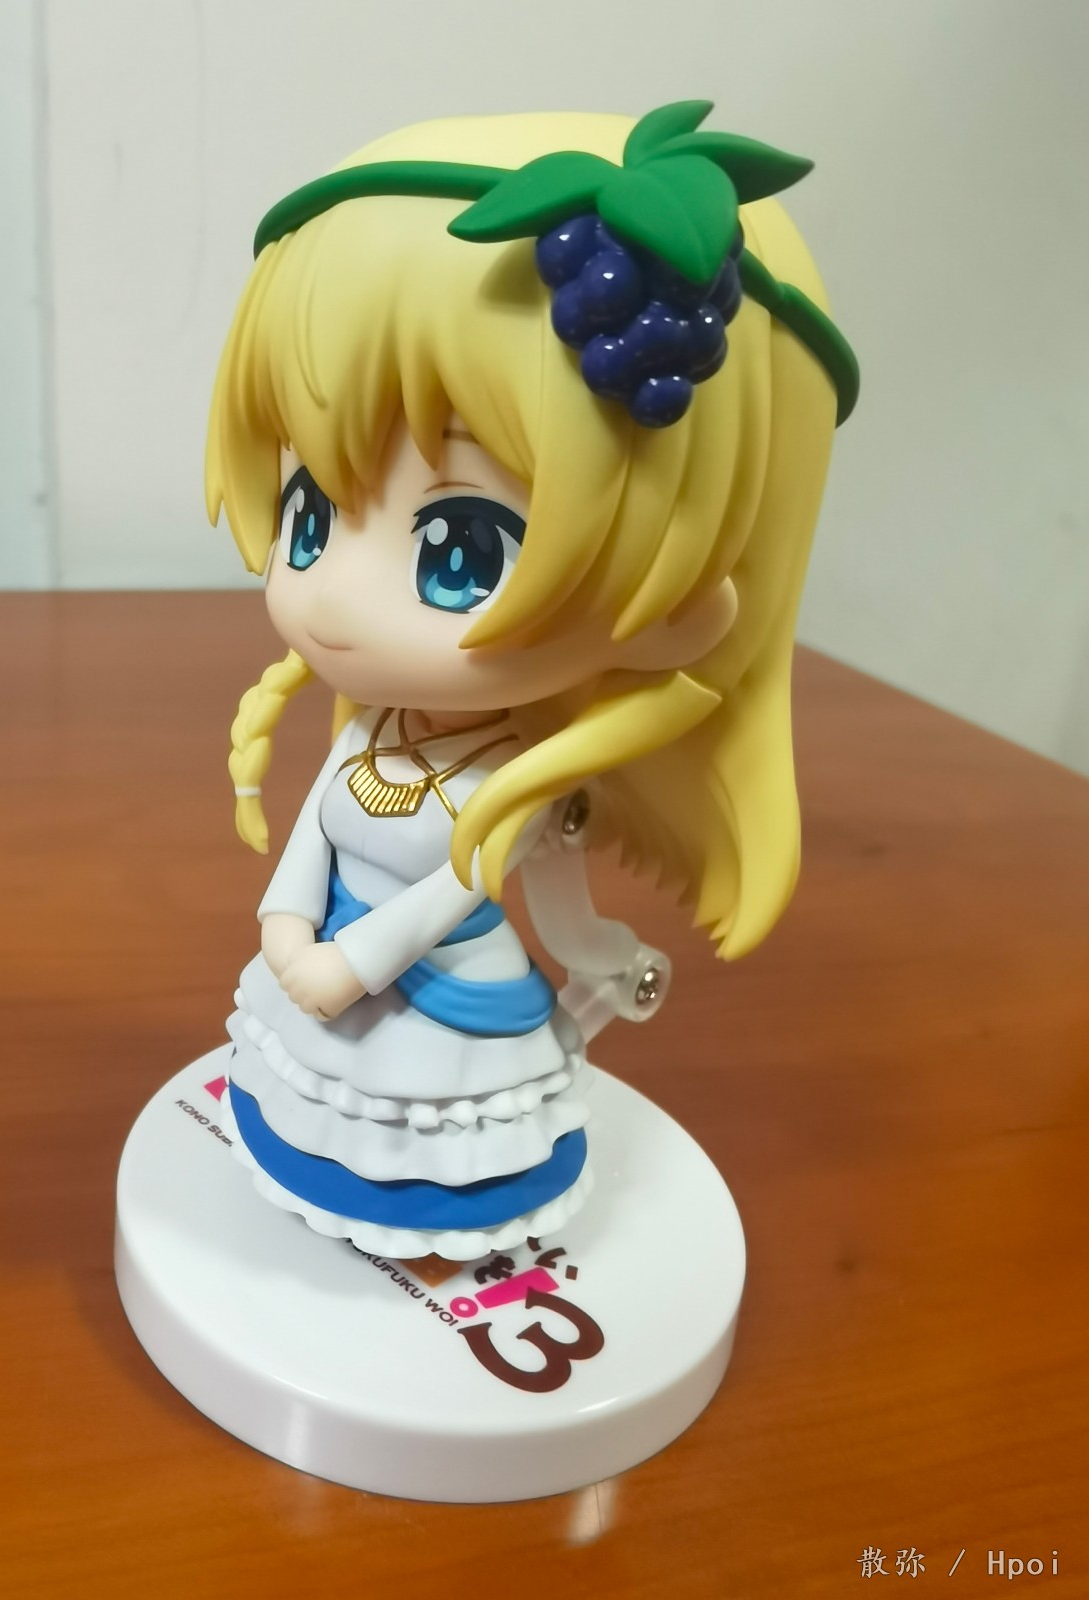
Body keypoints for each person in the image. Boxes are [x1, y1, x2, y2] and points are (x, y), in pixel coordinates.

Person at [204, 102, 857, 1261]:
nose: (333, 596)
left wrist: (351, 961)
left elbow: (450, 889)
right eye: (311, 513)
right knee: (306, 1113)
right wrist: (286, 917)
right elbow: (317, 821)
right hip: (324, 976)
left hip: (435, 1008)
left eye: (459, 548)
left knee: (430, 1164)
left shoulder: (525, 782)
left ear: (677, 613)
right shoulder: (375, 723)